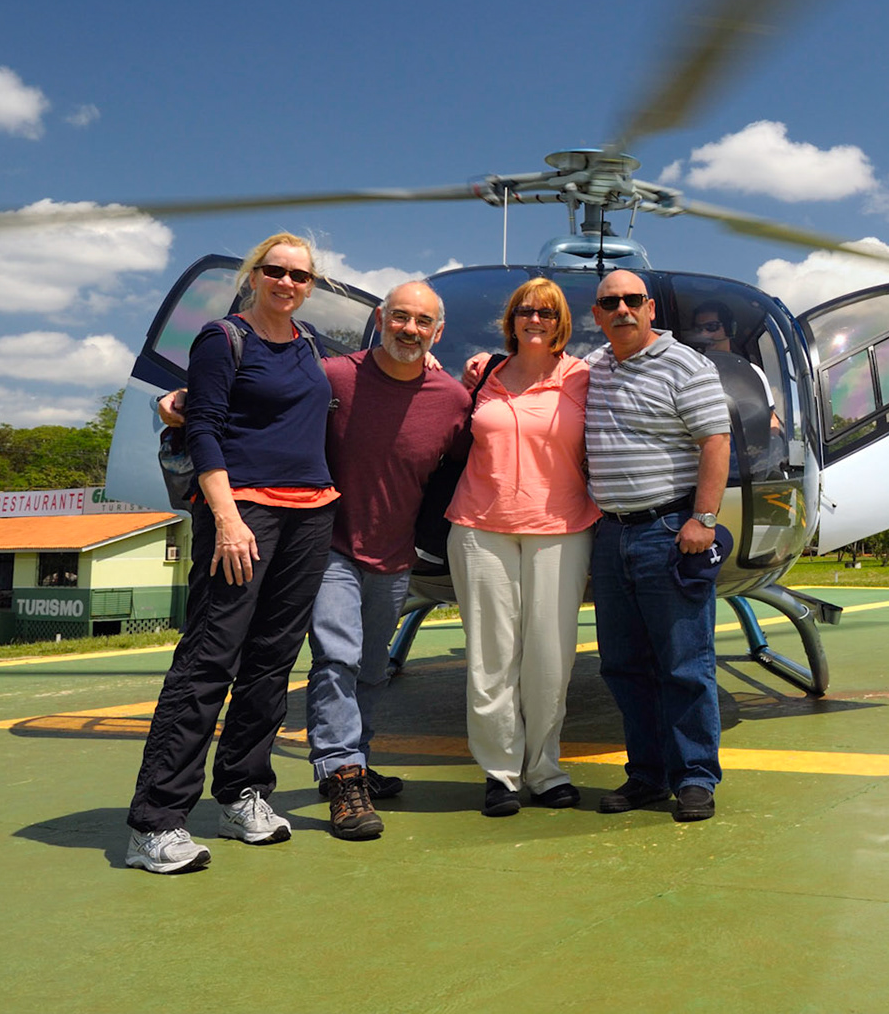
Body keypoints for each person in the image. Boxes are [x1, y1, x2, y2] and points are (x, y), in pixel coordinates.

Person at [154, 281, 470, 842]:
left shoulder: (452, 399)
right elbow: (261, 397)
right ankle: (341, 775)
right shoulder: (334, 376)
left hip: (395, 555)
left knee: (373, 667)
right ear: (379, 318)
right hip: (328, 544)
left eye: (423, 322)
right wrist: (183, 403)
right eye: (400, 317)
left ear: (437, 332)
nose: (410, 330)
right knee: (337, 659)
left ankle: (357, 759)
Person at [124, 232, 338, 875]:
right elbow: (204, 427)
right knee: (208, 662)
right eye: (275, 271)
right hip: (243, 513)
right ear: (254, 275)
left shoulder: (311, 348)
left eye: (300, 275)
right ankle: (155, 823)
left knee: (272, 664)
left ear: (312, 285)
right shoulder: (222, 338)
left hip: (310, 514)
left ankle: (243, 793)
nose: (287, 283)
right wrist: (225, 517)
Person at [447, 277, 600, 817]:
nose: (536, 320)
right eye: (526, 311)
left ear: (562, 324)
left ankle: (545, 767)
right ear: (510, 320)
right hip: (479, 525)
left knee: (550, 658)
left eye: (548, 313)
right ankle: (501, 774)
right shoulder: (483, 374)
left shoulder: (584, 375)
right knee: (491, 657)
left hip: (561, 527)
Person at [584, 269, 732, 823]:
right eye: (610, 302)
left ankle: (695, 776)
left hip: (669, 531)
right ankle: (646, 775)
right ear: (597, 315)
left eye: (632, 300)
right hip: (611, 532)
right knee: (622, 665)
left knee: (684, 663)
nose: (622, 309)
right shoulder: (594, 368)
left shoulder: (686, 365)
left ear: (650, 309)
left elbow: (714, 442)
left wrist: (704, 519)